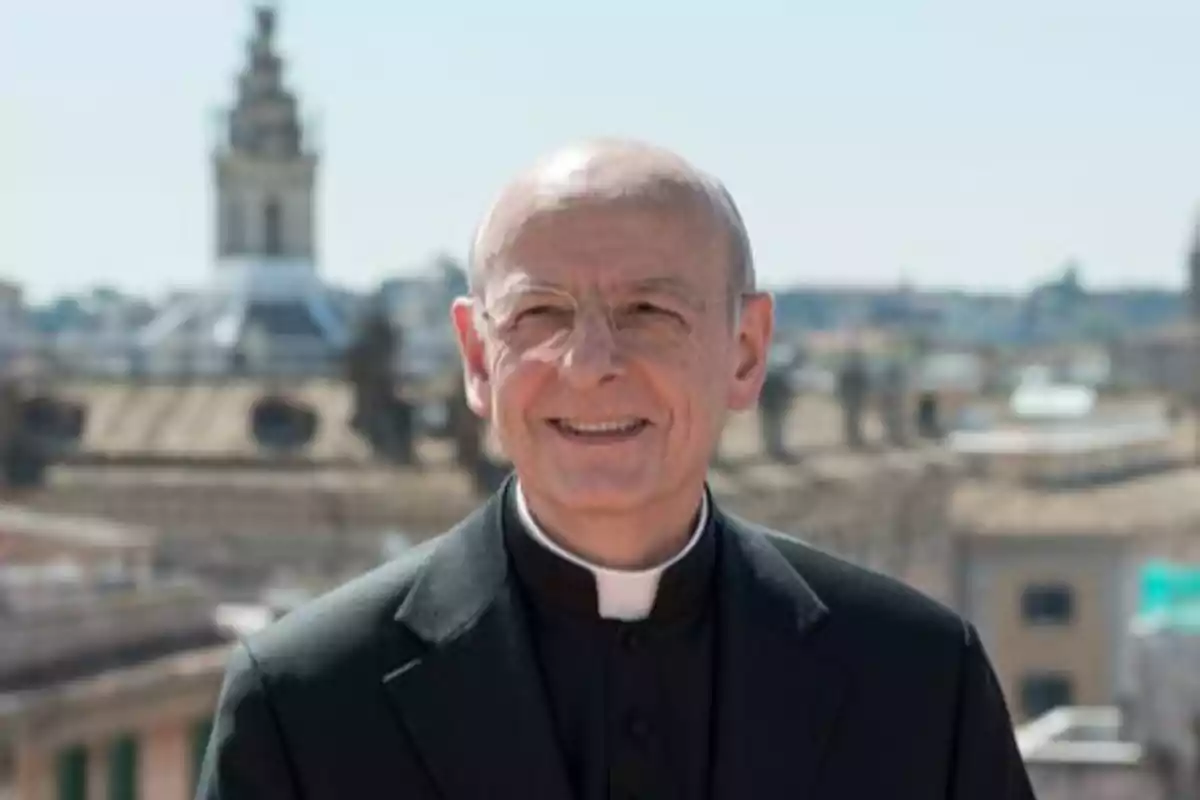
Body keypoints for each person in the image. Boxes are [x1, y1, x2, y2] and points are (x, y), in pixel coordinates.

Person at [197, 139, 1034, 799]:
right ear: (478, 360)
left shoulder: (922, 681)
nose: (590, 362)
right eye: (538, 314)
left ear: (745, 353)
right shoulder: (303, 706)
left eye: (649, 311)